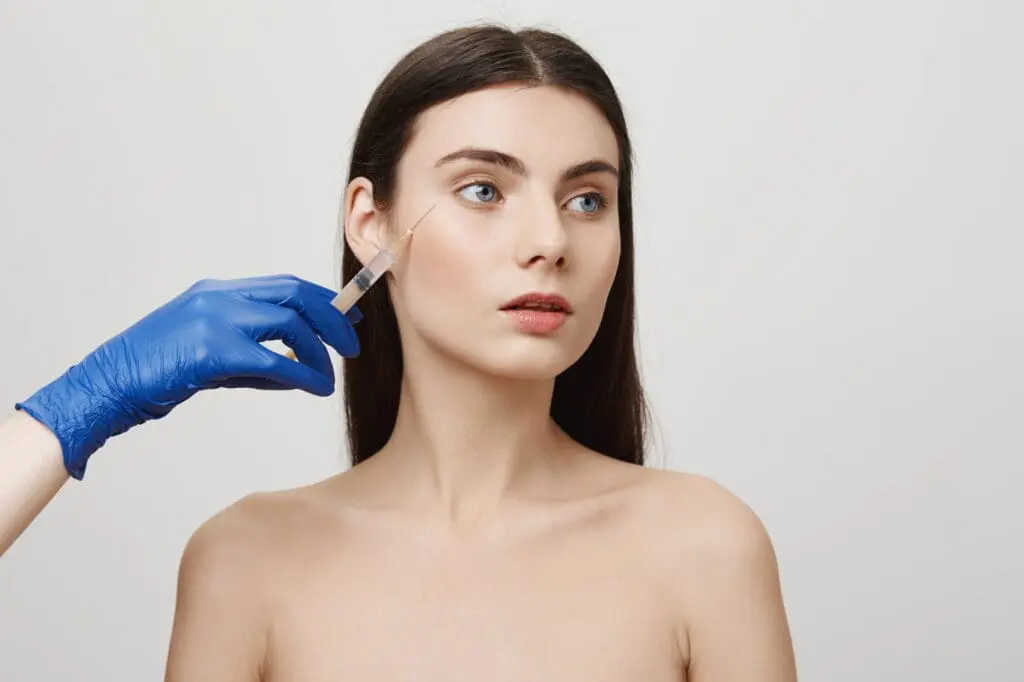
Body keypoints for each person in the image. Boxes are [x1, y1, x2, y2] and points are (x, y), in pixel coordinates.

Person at [1, 24, 797, 682]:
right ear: (371, 223)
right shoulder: (243, 561)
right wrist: (72, 412)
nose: (551, 241)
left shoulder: (705, 547)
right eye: (484, 190)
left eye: (588, 199)